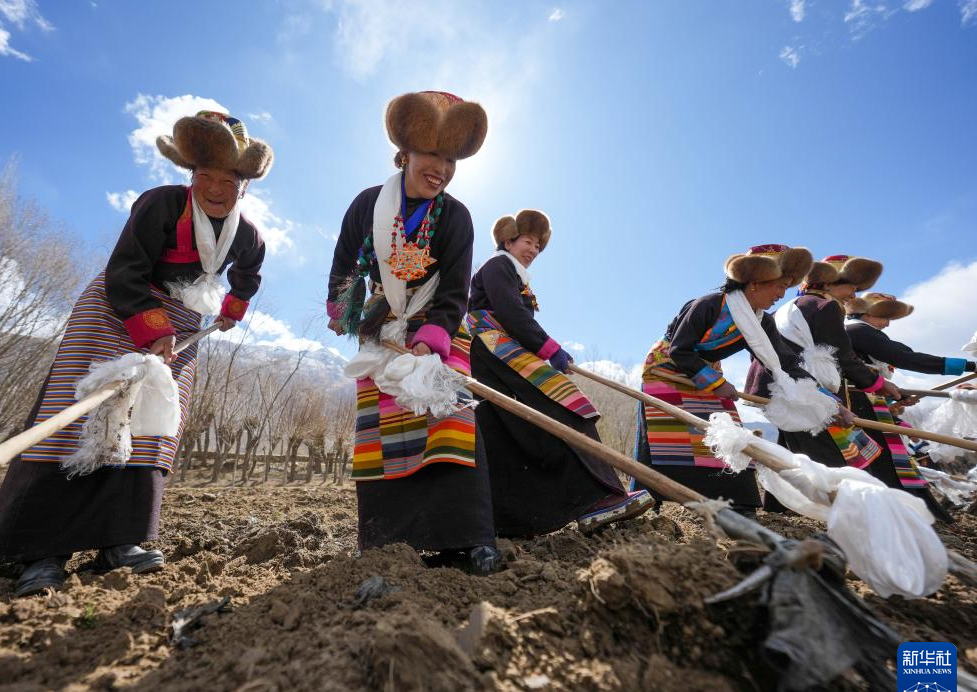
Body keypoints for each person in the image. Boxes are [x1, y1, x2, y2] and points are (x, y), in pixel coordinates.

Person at [0, 110, 272, 594]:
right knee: (79, 413)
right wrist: (151, 327)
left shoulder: (248, 234)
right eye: (206, 176)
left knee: (152, 421)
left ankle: (120, 541)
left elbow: (249, 273)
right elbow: (125, 269)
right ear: (191, 175)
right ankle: (41, 550)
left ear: (243, 187)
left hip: (182, 323)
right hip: (118, 308)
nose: (216, 189)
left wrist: (231, 310)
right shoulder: (161, 204)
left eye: (229, 181)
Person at [325, 91, 499, 574]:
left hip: (438, 325)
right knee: (382, 431)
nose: (441, 169)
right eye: (432, 155)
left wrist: (431, 339)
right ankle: (386, 540)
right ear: (405, 153)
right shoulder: (366, 205)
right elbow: (344, 267)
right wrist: (343, 310)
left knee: (450, 419)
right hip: (380, 327)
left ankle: (469, 537)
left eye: (450, 160)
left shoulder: (457, 217)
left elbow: (457, 289)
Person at [467, 210, 653, 536]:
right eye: (528, 241)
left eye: (538, 246)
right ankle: (596, 498)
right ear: (508, 241)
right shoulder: (498, 266)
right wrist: (548, 348)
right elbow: (510, 312)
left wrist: (546, 348)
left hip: (503, 354)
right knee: (560, 408)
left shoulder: (516, 276)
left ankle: (584, 501)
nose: (533, 250)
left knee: (520, 428)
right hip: (495, 353)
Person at [631, 244, 835, 516]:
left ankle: (738, 503)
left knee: (727, 433)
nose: (781, 295)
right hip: (666, 369)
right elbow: (680, 349)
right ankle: (649, 496)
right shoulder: (709, 305)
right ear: (755, 283)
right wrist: (716, 384)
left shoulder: (762, 322)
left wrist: (828, 401)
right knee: (664, 434)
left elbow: (786, 362)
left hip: (707, 374)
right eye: (779, 286)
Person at [745, 254, 898, 511]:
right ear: (828, 283)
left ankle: (778, 507)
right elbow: (843, 355)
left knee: (795, 447)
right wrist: (876, 383)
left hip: (775, 387)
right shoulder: (825, 307)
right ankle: (854, 512)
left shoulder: (783, 309)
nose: (853, 295)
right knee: (834, 457)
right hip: (806, 390)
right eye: (851, 287)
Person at [844, 292, 975, 521]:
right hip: (857, 402)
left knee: (890, 459)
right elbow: (908, 359)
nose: (888, 324)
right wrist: (969, 365)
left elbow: (894, 360)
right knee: (885, 459)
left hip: (867, 401)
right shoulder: (858, 330)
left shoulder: (860, 332)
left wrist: (897, 397)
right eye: (885, 317)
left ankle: (913, 512)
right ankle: (905, 513)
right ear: (868, 313)